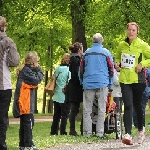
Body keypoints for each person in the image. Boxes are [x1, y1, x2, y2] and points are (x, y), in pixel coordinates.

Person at [115, 22, 150, 145]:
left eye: (133, 30)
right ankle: (128, 134)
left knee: (138, 106)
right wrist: (117, 64)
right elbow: (118, 58)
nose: (131, 32)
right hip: (125, 79)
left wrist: (142, 64)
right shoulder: (121, 45)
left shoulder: (142, 45)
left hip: (138, 80)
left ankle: (141, 130)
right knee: (128, 105)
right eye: (129, 30)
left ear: (137, 32)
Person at [80, 33, 114, 138]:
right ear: (101, 41)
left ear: (92, 41)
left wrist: (82, 81)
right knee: (102, 109)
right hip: (102, 83)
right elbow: (111, 69)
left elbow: (81, 70)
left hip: (88, 84)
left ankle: (87, 133)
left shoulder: (86, 53)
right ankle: (100, 133)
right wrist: (110, 83)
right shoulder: (106, 53)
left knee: (87, 110)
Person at [13, 51, 44, 150]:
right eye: (37, 60)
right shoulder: (26, 71)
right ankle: (28, 144)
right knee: (28, 123)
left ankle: (23, 144)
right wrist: (39, 69)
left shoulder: (25, 70)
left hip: (24, 101)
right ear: (33, 61)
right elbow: (36, 80)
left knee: (25, 123)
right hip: (25, 102)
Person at [0, 16, 20, 150]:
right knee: (2, 116)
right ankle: (1, 144)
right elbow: (14, 62)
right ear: (4, 27)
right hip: (3, 85)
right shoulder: (7, 42)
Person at [50, 53, 71, 135]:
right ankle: (63, 131)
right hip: (64, 95)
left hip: (56, 94)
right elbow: (69, 81)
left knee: (56, 115)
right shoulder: (69, 70)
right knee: (65, 115)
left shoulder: (58, 69)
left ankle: (53, 131)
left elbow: (53, 79)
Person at [65, 42, 83, 136]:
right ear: (80, 50)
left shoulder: (72, 59)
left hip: (73, 86)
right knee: (74, 108)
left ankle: (74, 128)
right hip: (76, 87)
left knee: (75, 108)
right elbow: (76, 74)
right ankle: (72, 129)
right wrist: (81, 82)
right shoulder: (76, 60)